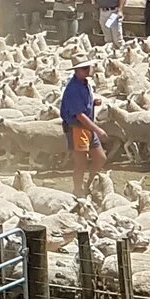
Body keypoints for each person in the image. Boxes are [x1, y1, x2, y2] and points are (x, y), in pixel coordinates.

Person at [60, 58, 105, 196]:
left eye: (88, 67)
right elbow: (79, 115)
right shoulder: (73, 88)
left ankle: (88, 184)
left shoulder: (85, 84)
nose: (88, 70)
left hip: (87, 126)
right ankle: (78, 189)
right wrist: (97, 129)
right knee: (81, 162)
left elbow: (82, 107)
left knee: (100, 158)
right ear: (77, 70)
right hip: (77, 127)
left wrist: (93, 102)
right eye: (84, 68)